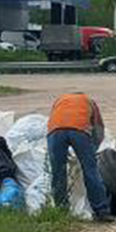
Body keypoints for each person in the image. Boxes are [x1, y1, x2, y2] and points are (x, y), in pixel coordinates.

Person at [46, 92, 111, 221]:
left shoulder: (59, 100)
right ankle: (102, 211)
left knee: (58, 172)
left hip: (55, 131)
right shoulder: (89, 101)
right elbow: (98, 128)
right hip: (79, 130)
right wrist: (93, 150)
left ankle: (61, 211)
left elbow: (54, 120)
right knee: (90, 171)